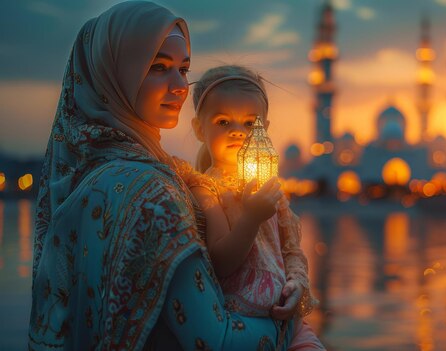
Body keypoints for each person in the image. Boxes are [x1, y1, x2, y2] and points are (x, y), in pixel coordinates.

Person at [29, 2, 293, 350]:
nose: (180, 85)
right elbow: (215, 339)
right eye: (158, 67)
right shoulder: (149, 190)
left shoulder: (87, 173)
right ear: (116, 73)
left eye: (183, 69)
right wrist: (291, 328)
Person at [182, 65, 325, 350]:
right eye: (223, 122)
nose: (237, 133)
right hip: (242, 325)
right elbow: (222, 262)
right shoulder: (207, 189)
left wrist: (296, 284)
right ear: (200, 128)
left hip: (289, 324)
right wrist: (251, 217)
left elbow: (291, 251)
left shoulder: (270, 188)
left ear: (265, 129)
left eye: (249, 124)